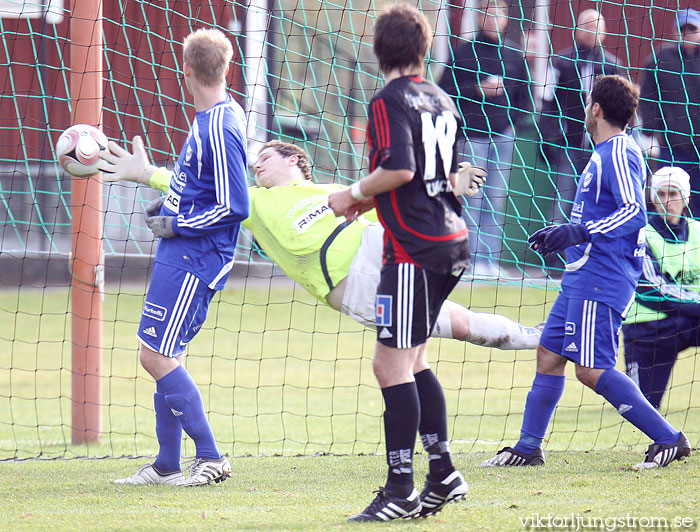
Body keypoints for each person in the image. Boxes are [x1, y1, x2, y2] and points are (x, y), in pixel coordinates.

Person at [100, 138, 543, 351]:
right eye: (253, 165)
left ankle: (449, 189)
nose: (256, 167)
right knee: (456, 328)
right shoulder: (252, 201)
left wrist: (447, 184)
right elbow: (203, 186)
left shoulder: (330, 190)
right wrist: (146, 174)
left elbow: (386, 199)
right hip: (353, 287)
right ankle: (536, 340)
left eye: (265, 159)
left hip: (379, 250)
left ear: (295, 159)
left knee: (400, 203)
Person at [480, 75, 691, 470]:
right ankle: (528, 447)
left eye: (588, 100)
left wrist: (578, 231)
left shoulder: (619, 152)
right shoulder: (605, 150)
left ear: (596, 109)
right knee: (549, 353)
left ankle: (668, 438)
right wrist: (563, 233)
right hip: (582, 274)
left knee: (591, 369)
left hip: (603, 275)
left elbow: (633, 211)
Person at [328, 5, 471, 521]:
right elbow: (448, 177)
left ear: (379, 49)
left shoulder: (389, 100)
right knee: (413, 360)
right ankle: (443, 472)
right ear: (423, 48)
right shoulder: (441, 98)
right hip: (451, 240)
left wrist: (352, 193)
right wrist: (374, 199)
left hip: (413, 248)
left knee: (389, 364)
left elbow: (401, 168)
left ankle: (400, 489)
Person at [104, 29, 250, 486]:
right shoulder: (213, 117)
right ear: (228, 68)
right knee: (164, 353)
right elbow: (201, 190)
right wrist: (167, 206)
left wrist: (180, 224)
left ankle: (211, 458)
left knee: (156, 356)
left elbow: (234, 205)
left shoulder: (220, 127)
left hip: (196, 256)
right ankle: (166, 465)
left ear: (185, 70)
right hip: (181, 252)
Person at [438, 0, 531, 278]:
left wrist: (511, 126)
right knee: (472, 199)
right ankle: (467, 261)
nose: (494, 18)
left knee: (495, 199)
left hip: (502, 139)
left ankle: (489, 264)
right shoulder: (463, 54)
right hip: (471, 139)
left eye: (498, 14)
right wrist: (477, 90)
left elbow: (525, 99)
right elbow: (444, 92)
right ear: (479, 19)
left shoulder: (514, 56)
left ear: (505, 19)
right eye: (488, 13)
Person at [623, 166, 700, 409]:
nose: (667, 201)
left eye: (673, 194)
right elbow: (653, 290)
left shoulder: (697, 231)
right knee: (639, 406)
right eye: (661, 194)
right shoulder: (640, 233)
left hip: (689, 320)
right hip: (649, 330)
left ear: (686, 198)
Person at [540, 9, 624, 225]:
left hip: (602, 149)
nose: (591, 31)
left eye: (596, 26)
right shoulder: (561, 63)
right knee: (563, 201)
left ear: (604, 33)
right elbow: (547, 101)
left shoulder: (613, 67)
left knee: (597, 203)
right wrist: (548, 136)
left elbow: (625, 109)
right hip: (569, 145)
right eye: (586, 25)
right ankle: (552, 255)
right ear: (577, 29)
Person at [639, 8, 700, 215]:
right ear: (675, 32)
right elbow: (647, 98)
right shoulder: (659, 59)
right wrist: (650, 131)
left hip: (699, 149)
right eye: (683, 29)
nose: (688, 33)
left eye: (692, 28)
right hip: (672, 147)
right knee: (670, 202)